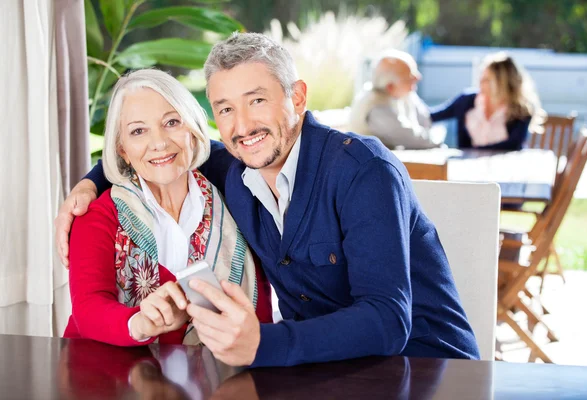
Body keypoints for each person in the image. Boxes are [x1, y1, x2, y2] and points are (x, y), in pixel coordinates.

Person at [56, 33, 479, 367]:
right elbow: (161, 153)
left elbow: (387, 321)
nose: (242, 125)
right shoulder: (236, 169)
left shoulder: (363, 171)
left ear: (296, 97)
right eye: (224, 109)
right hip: (320, 367)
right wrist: (91, 184)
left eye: (256, 100)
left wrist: (262, 344)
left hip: (424, 368)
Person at [62, 69, 272, 347]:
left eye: (172, 122)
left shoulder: (237, 199)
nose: (159, 143)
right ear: (122, 148)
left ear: (194, 130)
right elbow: (88, 309)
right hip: (108, 378)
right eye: (138, 131)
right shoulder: (97, 215)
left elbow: (260, 315)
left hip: (219, 377)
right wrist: (140, 323)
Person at [430, 52, 545, 150]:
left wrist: (474, 152)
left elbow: (513, 145)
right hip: (468, 168)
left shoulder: (521, 110)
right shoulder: (466, 101)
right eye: (481, 77)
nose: (480, 83)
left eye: (487, 80)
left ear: (502, 83)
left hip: (506, 171)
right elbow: (431, 116)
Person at [348, 49, 443, 149]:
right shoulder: (376, 108)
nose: (418, 77)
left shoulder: (402, 93)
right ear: (390, 86)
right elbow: (414, 139)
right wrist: (438, 134)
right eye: (410, 76)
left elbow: (425, 121)